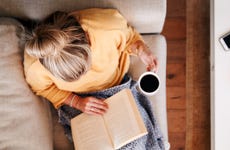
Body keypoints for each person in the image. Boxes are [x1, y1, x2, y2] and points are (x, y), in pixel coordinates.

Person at [24, 8, 165, 149]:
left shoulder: (106, 27)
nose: (85, 76)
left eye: (87, 67)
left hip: (116, 88)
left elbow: (129, 38)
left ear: (88, 37)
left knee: (138, 141)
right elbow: (43, 89)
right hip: (77, 100)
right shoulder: (35, 66)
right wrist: (77, 102)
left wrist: (141, 49)